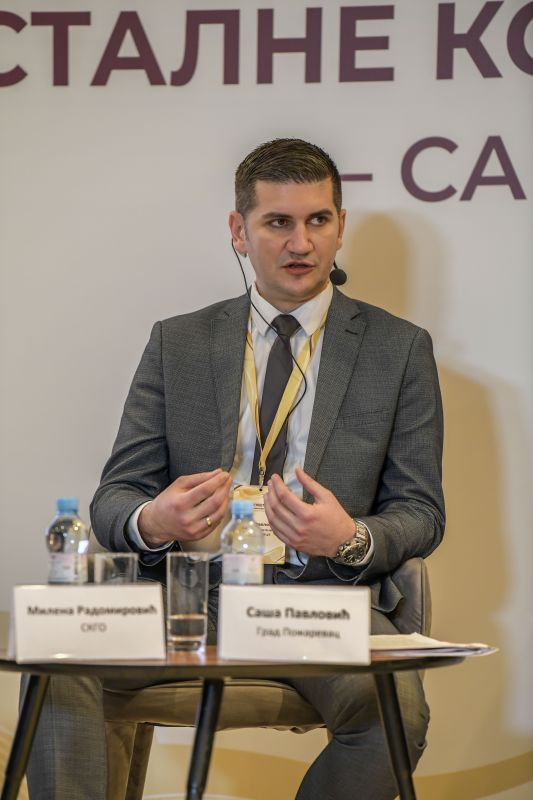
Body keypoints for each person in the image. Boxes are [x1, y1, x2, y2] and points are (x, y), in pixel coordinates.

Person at [26, 138, 444, 800]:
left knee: (396, 715)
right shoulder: (179, 342)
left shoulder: (398, 349)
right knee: (57, 653)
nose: (300, 243)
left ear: (340, 227)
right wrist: (152, 520)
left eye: (318, 220)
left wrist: (350, 538)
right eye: (277, 222)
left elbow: (420, 512)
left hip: (316, 602)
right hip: (186, 595)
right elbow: (115, 496)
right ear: (239, 231)